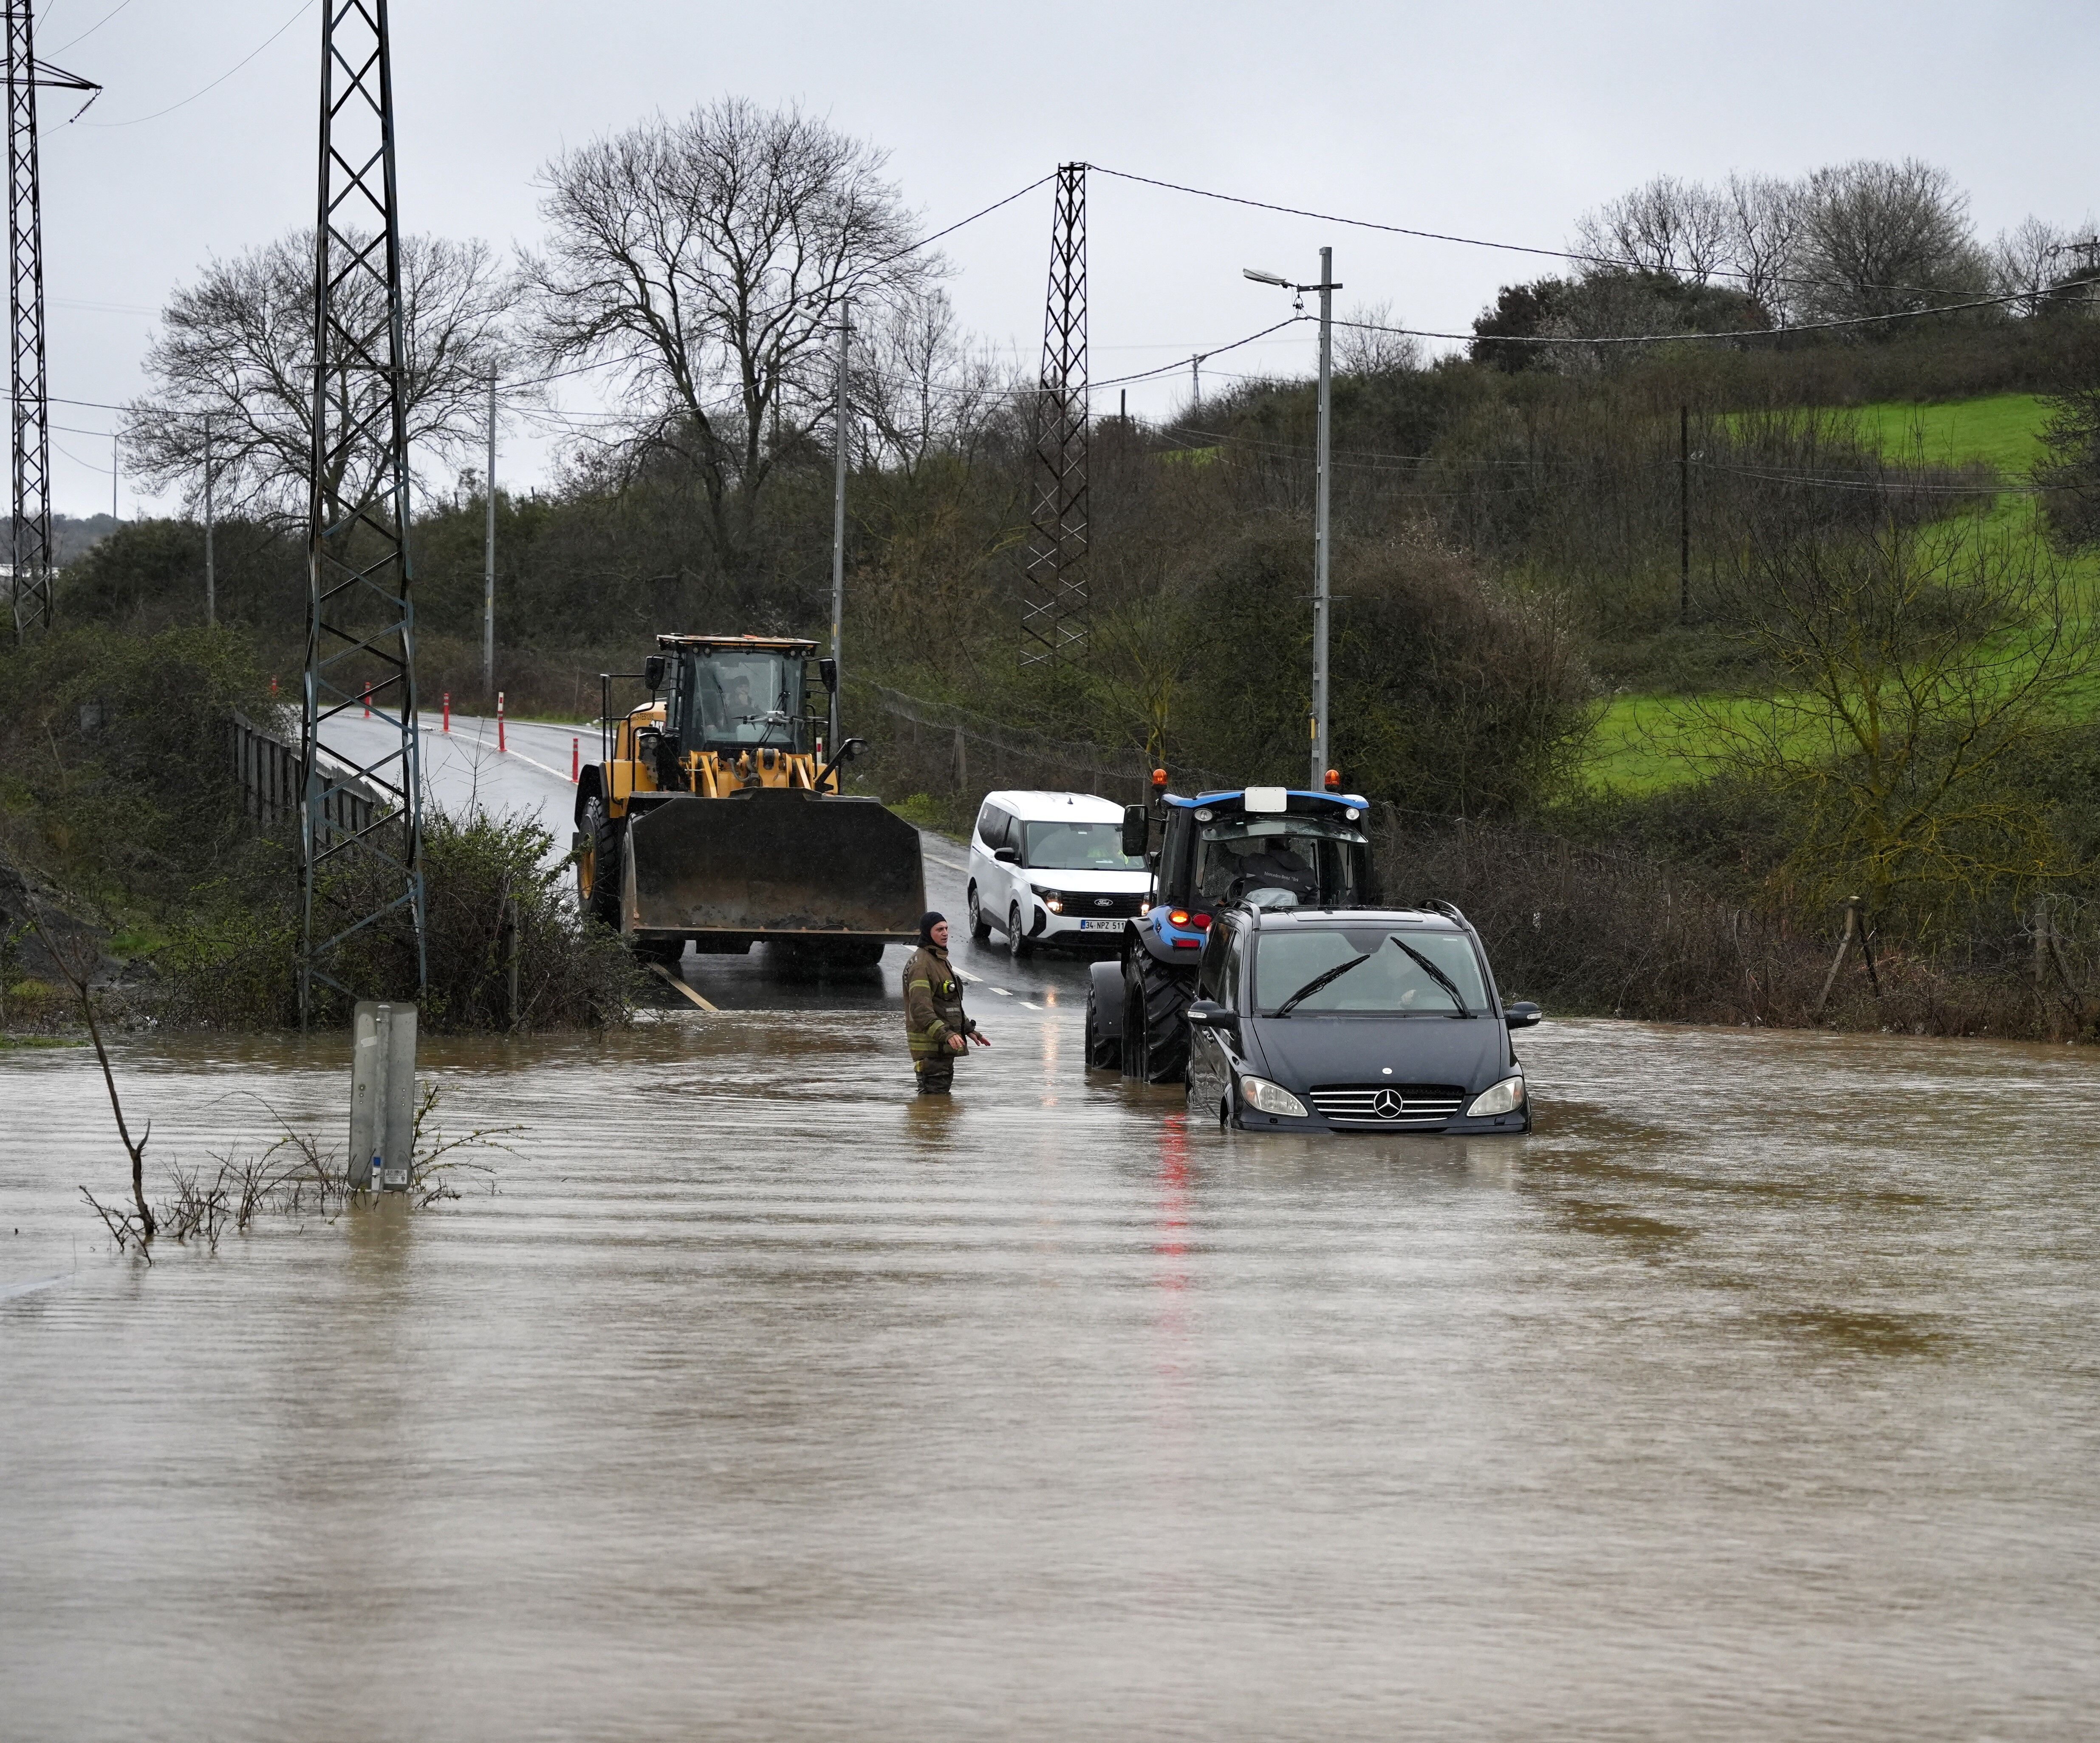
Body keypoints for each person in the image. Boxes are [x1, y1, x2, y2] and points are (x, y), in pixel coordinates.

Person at [902, 911, 989, 1094]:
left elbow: (948, 1004)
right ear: (928, 933)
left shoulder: (939, 960)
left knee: (937, 1110)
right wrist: (947, 1035)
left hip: (941, 1050)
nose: (945, 933)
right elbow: (920, 1010)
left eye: (947, 929)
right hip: (931, 1052)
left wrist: (968, 1029)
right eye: (939, 929)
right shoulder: (921, 966)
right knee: (933, 1103)